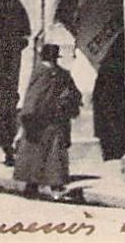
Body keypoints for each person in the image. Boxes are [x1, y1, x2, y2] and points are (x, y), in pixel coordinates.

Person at [14, 43, 84, 200]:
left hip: (37, 122)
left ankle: (32, 187)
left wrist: (24, 120)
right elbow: (76, 94)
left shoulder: (39, 72)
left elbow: (32, 98)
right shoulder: (63, 74)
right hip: (56, 121)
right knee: (55, 154)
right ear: (56, 57)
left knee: (35, 153)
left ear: (42, 56)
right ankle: (55, 187)